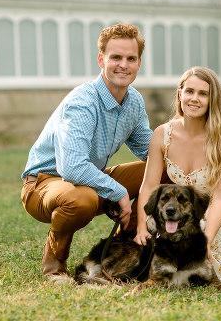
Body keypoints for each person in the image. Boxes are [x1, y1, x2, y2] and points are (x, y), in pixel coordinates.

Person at [21, 23, 153, 281]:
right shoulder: (83, 102)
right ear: (101, 59)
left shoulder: (134, 101)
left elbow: (151, 150)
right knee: (82, 199)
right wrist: (119, 192)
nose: (123, 65)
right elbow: (71, 168)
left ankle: (120, 252)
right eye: (116, 57)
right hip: (44, 184)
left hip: (90, 178)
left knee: (165, 170)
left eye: (130, 58)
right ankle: (54, 265)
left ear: (139, 63)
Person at [133, 66, 221, 282]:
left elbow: (220, 197)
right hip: (188, 210)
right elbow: (149, 186)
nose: (194, 99)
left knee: (196, 230)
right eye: (189, 91)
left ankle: (203, 264)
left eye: (203, 94)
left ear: (212, 100)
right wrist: (141, 226)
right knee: (156, 224)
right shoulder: (163, 134)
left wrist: (205, 241)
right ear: (180, 94)